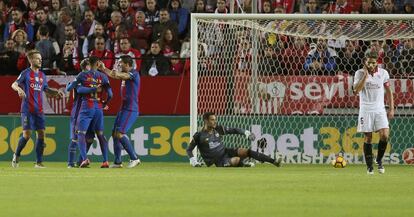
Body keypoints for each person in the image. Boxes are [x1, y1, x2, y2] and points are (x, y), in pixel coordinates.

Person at [11, 50, 64, 168]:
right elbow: (13, 84)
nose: (40, 60)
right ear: (31, 60)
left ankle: (39, 162)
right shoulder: (25, 73)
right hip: (27, 109)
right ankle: (16, 155)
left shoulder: (42, 75)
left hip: (39, 110)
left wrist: (56, 92)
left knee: (41, 134)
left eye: (41, 58)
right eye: (37, 58)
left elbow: (46, 89)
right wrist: (19, 89)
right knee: (27, 135)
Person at [186, 112, 283, 167]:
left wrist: (246, 133)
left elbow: (235, 130)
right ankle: (244, 164)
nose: (215, 121)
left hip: (226, 151)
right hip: (218, 160)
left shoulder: (218, 129)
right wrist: (193, 161)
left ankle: (274, 162)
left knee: (244, 151)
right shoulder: (199, 135)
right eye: (212, 119)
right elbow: (189, 149)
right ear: (206, 121)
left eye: (215, 119)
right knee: (236, 160)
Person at [353, 51, 394, 175]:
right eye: (368, 62)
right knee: (368, 137)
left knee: (385, 135)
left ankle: (379, 160)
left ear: (377, 62)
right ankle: (369, 166)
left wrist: (391, 108)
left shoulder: (383, 73)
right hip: (365, 109)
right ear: (365, 61)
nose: (370, 64)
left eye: (373, 62)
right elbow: (356, 91)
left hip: (380, 109)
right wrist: (365, 76)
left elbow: (389, 91)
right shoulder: (359, 73)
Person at [99, 55, 141, 168]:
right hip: (123, 109)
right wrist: (103, 69)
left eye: (120, 63)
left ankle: (134, 158)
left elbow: (121, 75)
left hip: (131, 109)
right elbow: (116, 75)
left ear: (127, 64)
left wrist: (115, 73)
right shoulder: (124, 75)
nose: (118, 64)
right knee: (115, 134)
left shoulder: (134, 73)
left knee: (120, 133)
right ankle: (118, 162)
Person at [74, 56, 113, 167]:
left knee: (81, 133)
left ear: (89, 63)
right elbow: (110, 94)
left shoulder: (83, 75)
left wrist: (92, 89)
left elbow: (79, 90)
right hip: (98, 108)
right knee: (100, 134)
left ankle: (85, 159)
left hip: (87, 106)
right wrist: (105, 103)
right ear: (98, 63)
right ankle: (105, 161)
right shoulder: (103, 76)